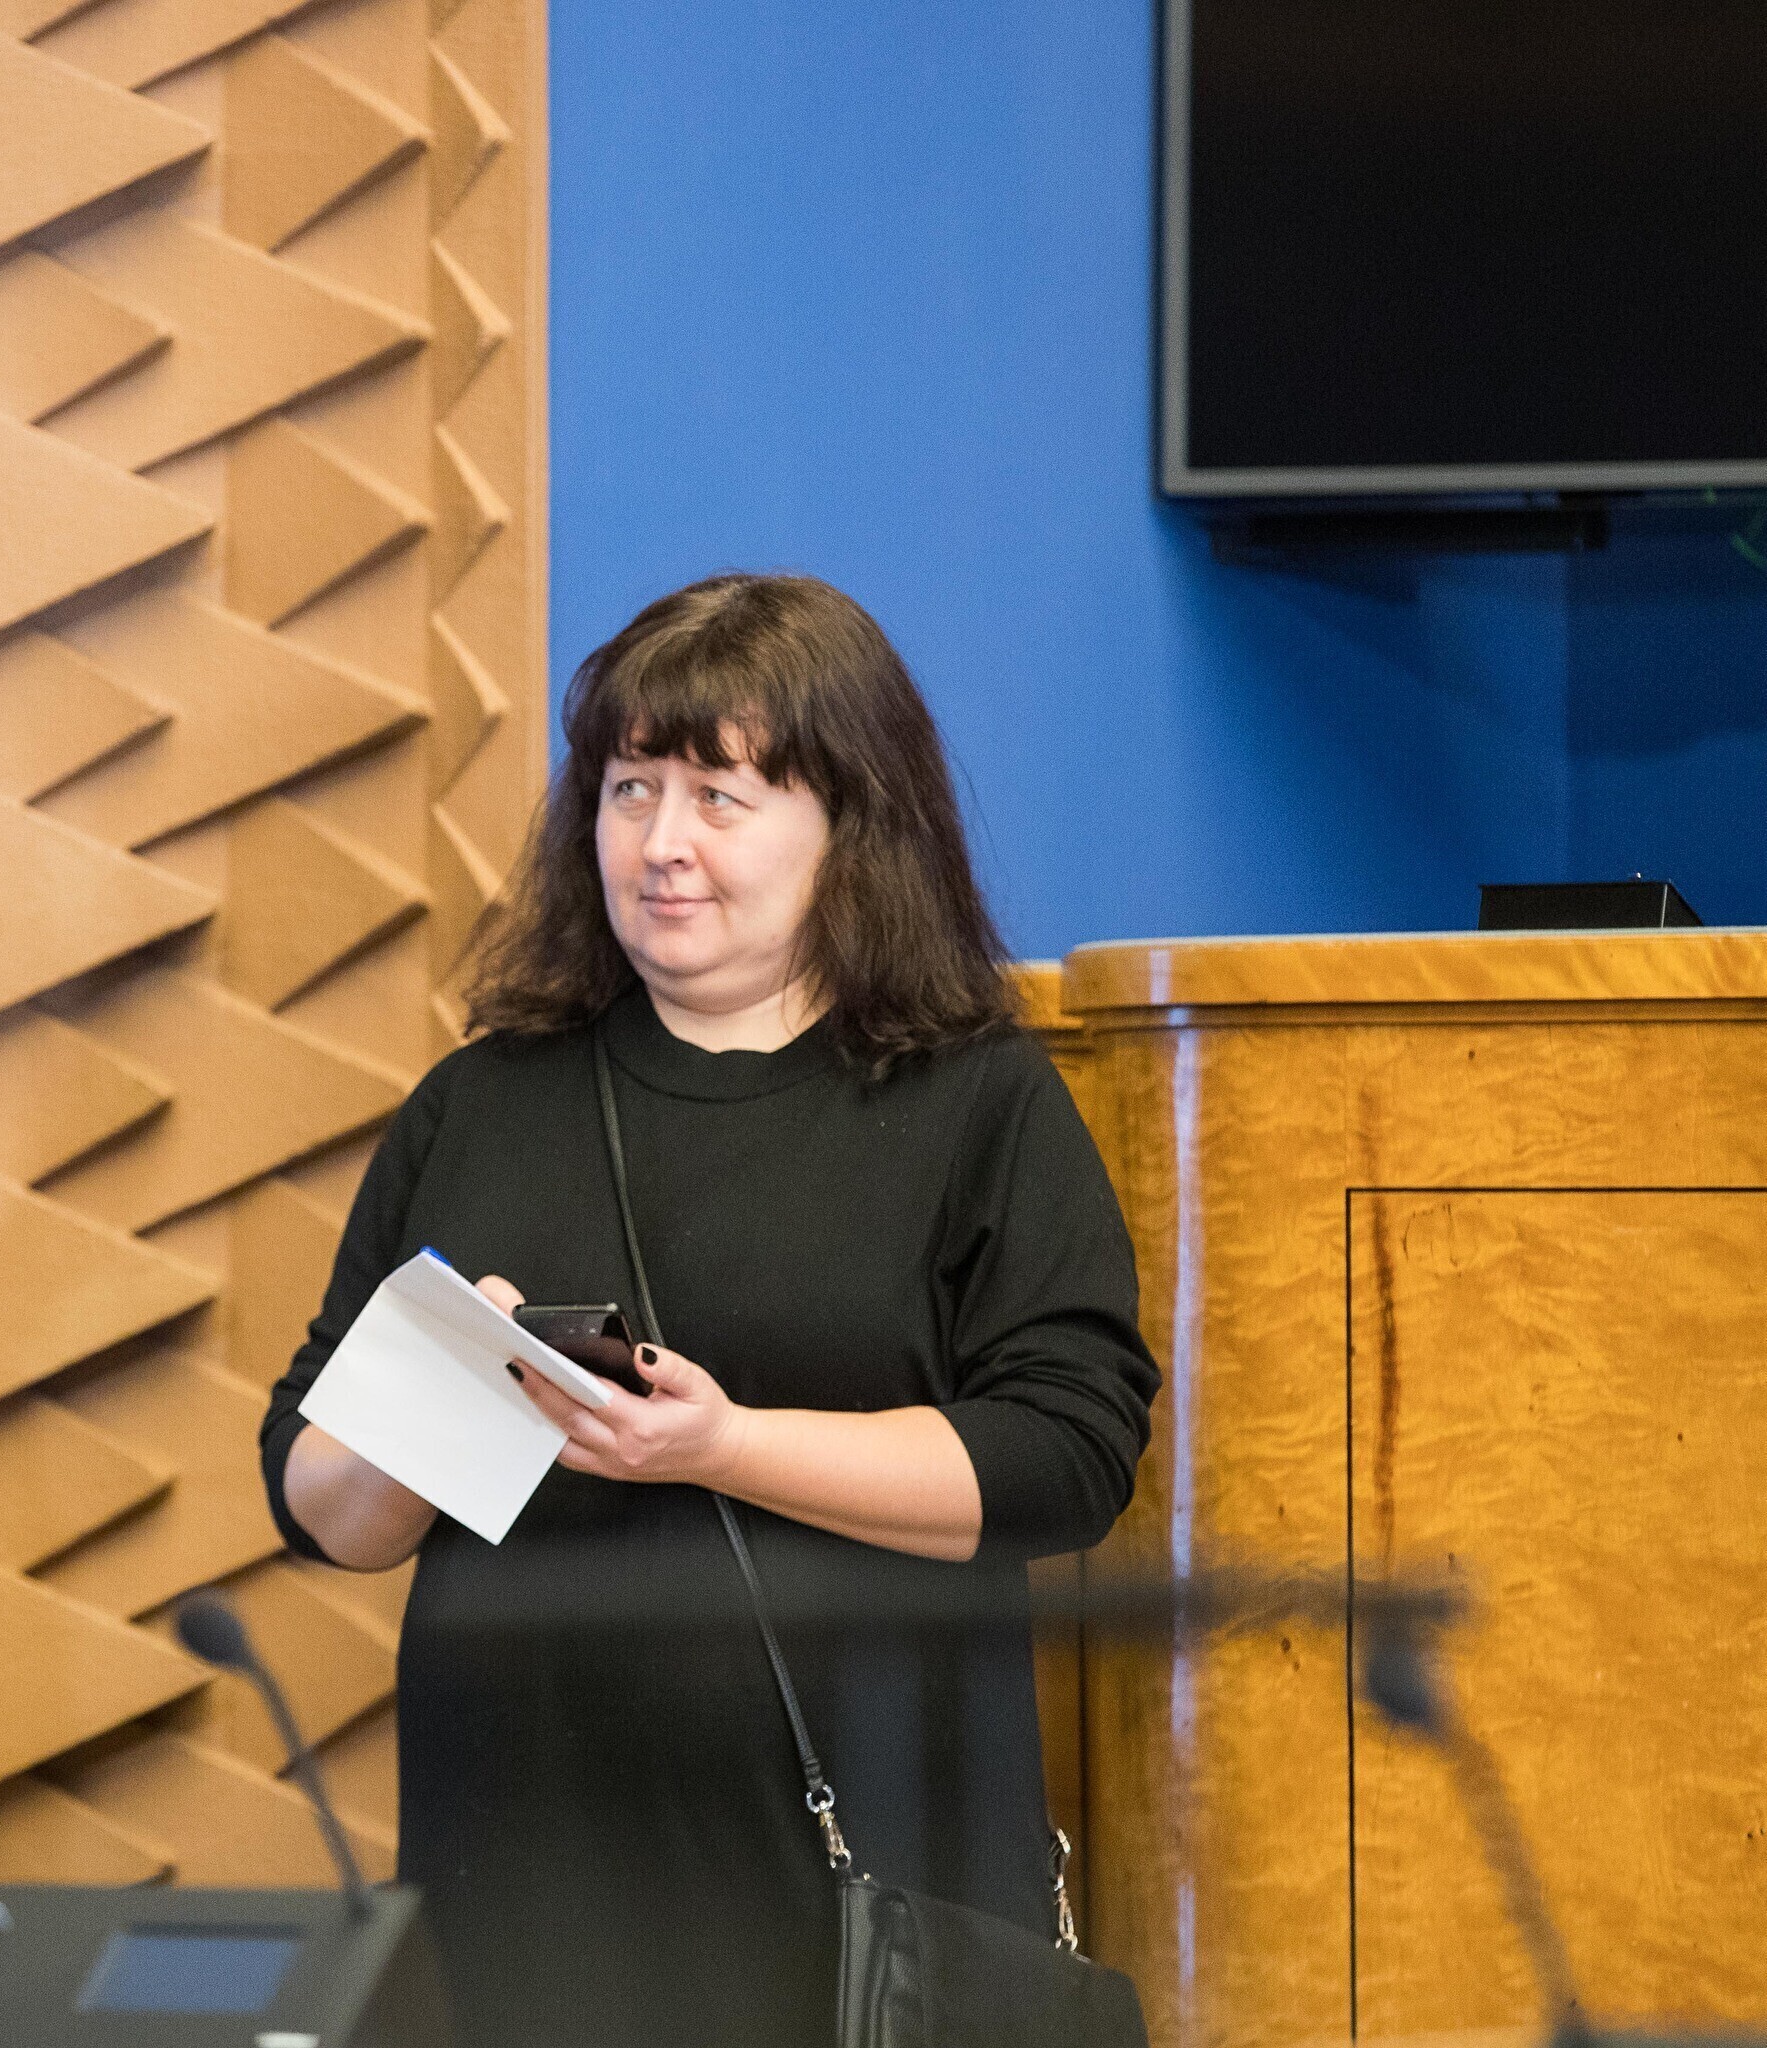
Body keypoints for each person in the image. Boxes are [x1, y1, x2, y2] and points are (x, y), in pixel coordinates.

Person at [259, 574, 1159, 2046]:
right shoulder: (481, 1103)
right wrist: (443, 1393)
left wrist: (726, 1448)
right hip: (524, 1893)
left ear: (851, 828)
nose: (661, 843)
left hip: (863, 1896)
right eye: (630, 790)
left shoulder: (978, 1103)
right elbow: (321, 1510)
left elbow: (1067, 1460)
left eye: (719, 799)